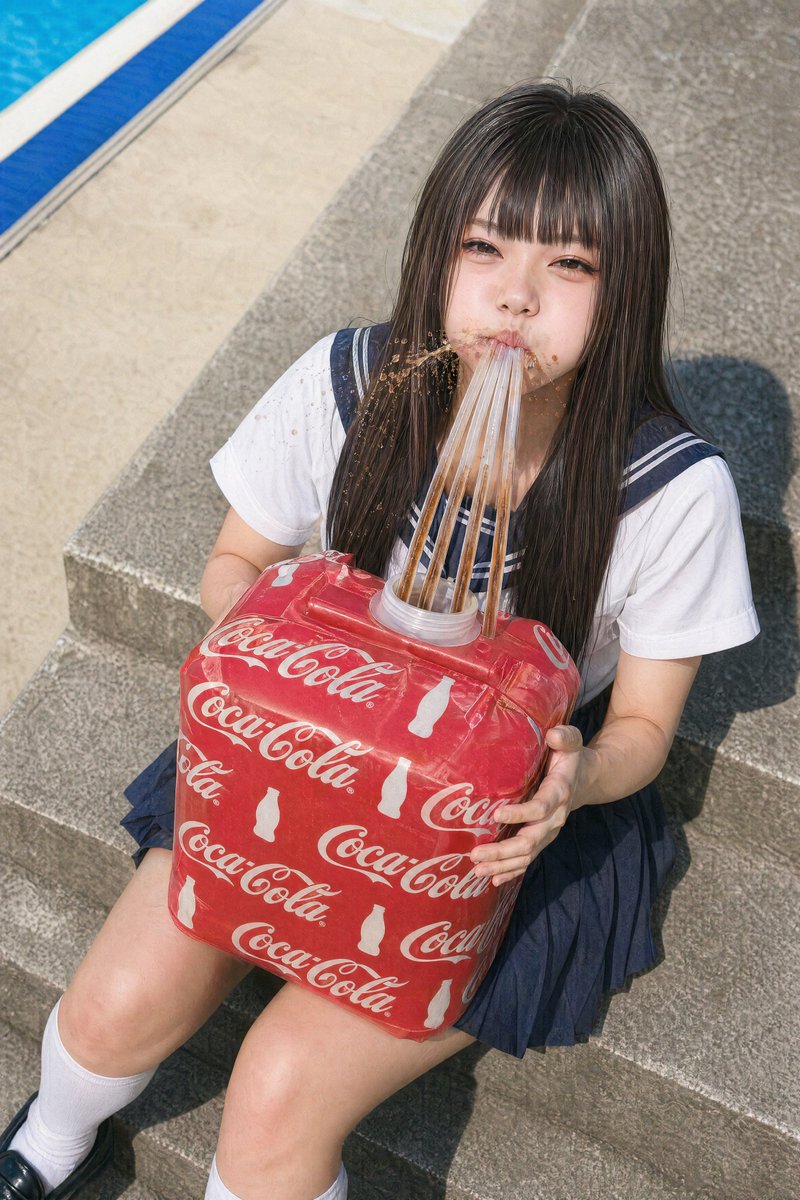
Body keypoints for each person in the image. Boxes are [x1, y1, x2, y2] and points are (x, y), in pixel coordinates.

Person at [0, 81, 759, 1200]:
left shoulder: (663, 489)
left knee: (271, 1095)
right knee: (116, 999)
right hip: (305, 747)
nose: (513, 299)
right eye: (484, 248)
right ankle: (45, 1143)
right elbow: (232, 565)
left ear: (625, 290)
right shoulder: (354, 385)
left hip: (496, 819)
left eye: (570, 267)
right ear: (432, 255)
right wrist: (274, 666)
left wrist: (572, 778)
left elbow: (642, 724)